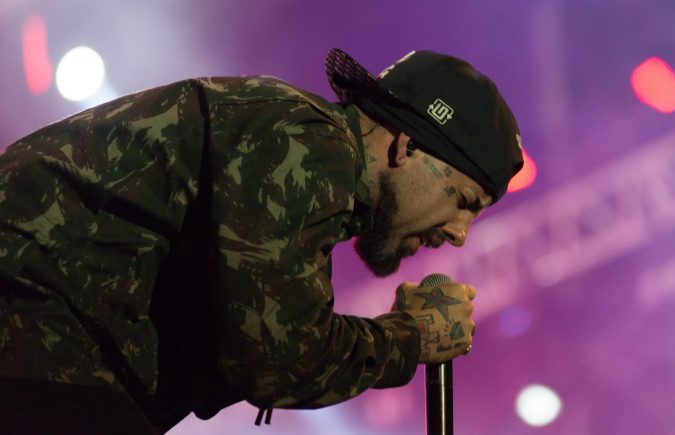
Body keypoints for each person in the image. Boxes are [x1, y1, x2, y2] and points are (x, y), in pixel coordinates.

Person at [0, 48, 523, 434]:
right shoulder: (307, 140)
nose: (459, 235)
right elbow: (277, 357)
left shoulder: (308, 168)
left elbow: (241, 354)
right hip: (31, 320)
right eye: (463, 201)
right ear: (407, 147)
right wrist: (411, 337)